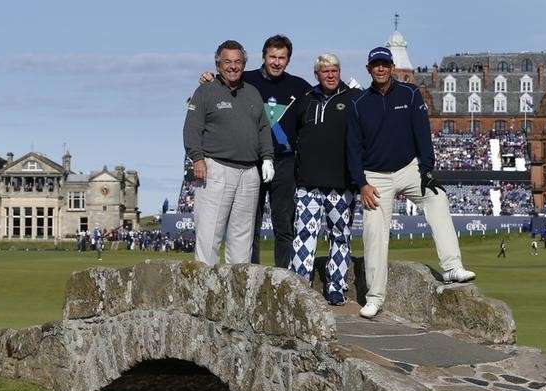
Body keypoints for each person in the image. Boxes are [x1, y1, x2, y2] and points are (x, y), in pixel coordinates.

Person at [347, 47, 476, 319]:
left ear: (392, 67)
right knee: (373, 233)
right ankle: (375, 297)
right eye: (375, 65)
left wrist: (427, 170)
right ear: (369, 69)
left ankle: (452, 266)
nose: (380, 69)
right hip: (375, 177)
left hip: (408, 168)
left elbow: (422, 133)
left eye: (384, 64)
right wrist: (362, 183)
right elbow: (353, 149)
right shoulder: (359, 103)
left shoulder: (410, 94)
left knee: (437, 198)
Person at [200, 35, 311, 267]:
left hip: (284, 162)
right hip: (251, 162)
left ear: (288, 60)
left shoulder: (300, 86)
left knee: (284, 225)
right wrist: (208, 79)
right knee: (250, 226)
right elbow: (219, 85)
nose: (277, 62)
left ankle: (283, 277)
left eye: (282, 58)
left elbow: (323, 100)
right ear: (263, 56)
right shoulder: (245, 79)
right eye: (272, 56)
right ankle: (252, 275)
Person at [184, 40, 274, 265]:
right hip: (216, 169)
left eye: (237, 62)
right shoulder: (205, 90)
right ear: (218, 65)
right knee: (209, 235)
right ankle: (204, 296)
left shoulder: (252, 92)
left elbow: (263, 127)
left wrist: (268, 158)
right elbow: (192, 128)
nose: (233, 66)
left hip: (249, 173)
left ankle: (237, 296)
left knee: (242, 238)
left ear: (243, 64)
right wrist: (197, 159)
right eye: (227, 62)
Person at [288, 53, 361, 306]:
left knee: (340, 236)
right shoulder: (305, 100)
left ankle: (336, 287)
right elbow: (284, 129)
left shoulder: (353, 98)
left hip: (341, 185)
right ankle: (299, 286)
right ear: (316, 74)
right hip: (308, 184)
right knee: (304, 235)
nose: (330, 75)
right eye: (325, 71)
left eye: (335, 70)